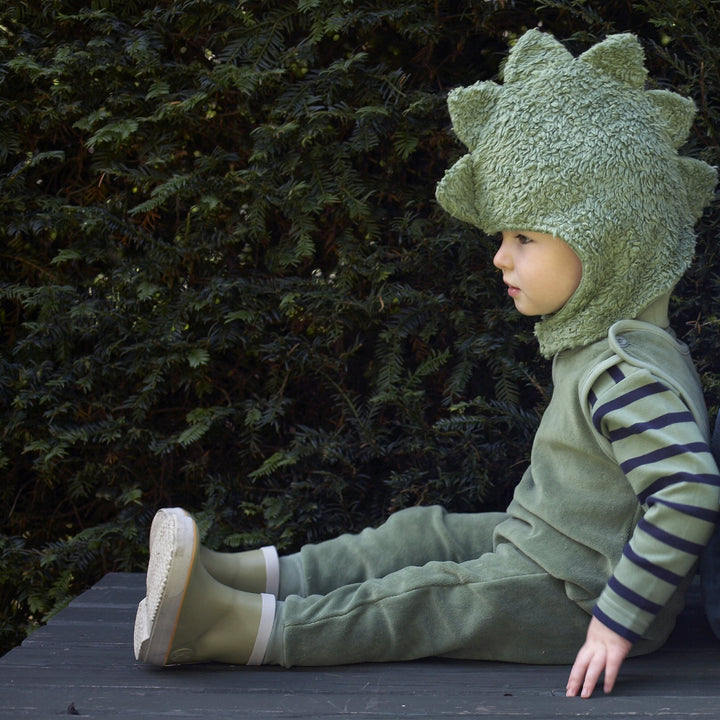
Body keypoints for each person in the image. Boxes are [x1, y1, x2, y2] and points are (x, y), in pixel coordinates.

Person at [133, 29, 720, 699]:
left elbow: (687, 490)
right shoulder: (597, 343)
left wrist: (616, 624)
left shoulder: (627, 371)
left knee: (427, 598)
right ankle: (241, 576)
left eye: (524, 236)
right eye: (503, 236)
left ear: (609, 239)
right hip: (542, 551)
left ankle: (221, 630)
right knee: (419, 535)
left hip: (578, 596)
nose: (501, 257)